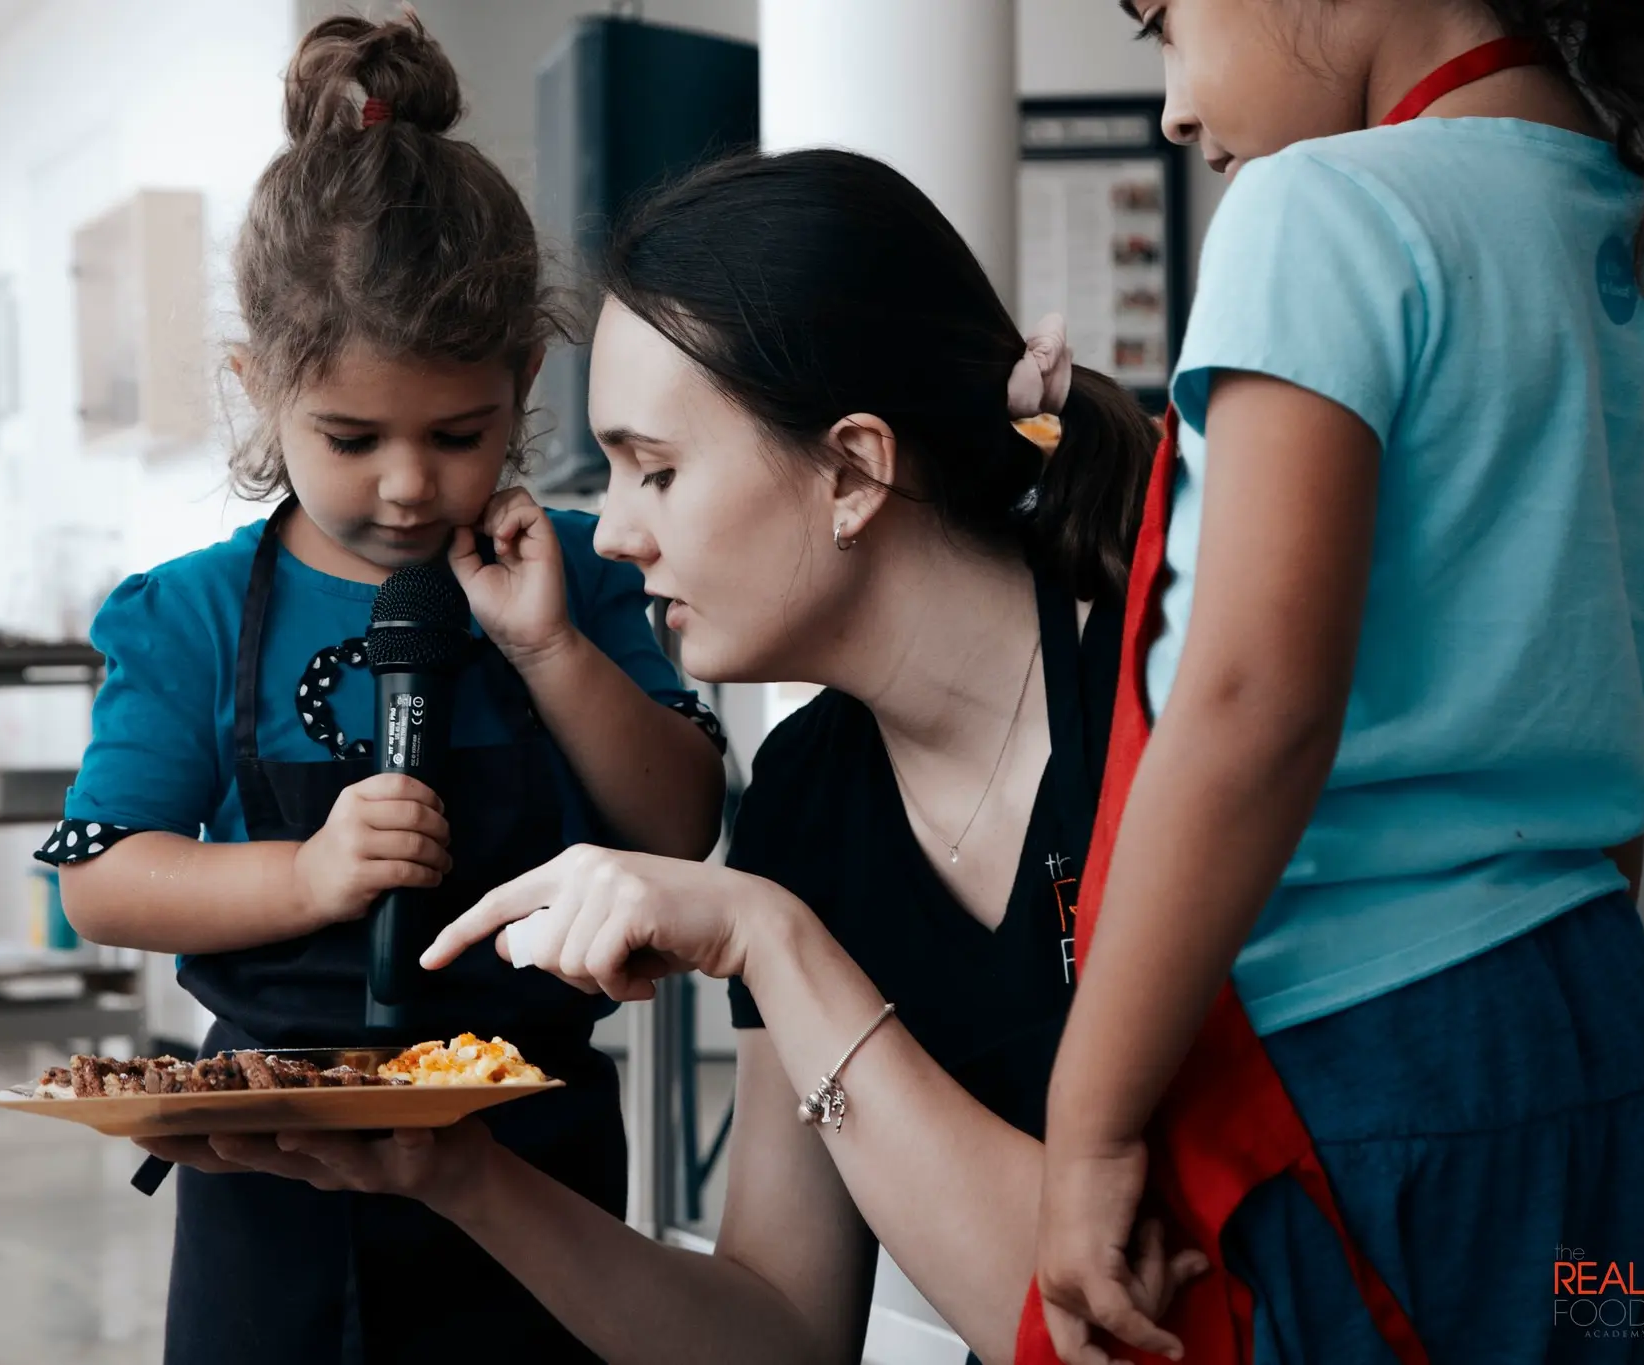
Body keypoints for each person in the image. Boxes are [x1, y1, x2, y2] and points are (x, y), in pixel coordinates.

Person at [182, 147, 1206, 1365]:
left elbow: (1114, 1329)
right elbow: (780, 1333)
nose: (610, 534)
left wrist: (765, 936)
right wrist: (456, 1175)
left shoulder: (1179, 708)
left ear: (852, 469)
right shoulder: (810, 799)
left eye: (656, 471)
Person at [1019, 2, 1644, 1363]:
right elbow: (1603, 705)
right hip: (1604, 1052)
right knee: (1613, 1330)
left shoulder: (1323, 212)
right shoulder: (1637, 264)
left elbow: (1252, 704)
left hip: (1379, 1087)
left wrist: (1089, 1122)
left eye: (1165, 24)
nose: (1173, 106)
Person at [37, 14, 726, 1364]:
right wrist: (305, 876)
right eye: (352, 438)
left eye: (459, 435)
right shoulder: (181, 616)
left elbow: (681, 822)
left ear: (524, 380)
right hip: (271, 1167)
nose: (410, 483)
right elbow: (99, 876)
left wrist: (547, 650)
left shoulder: (584, 574)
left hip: (531, 1158)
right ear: (260, 389)